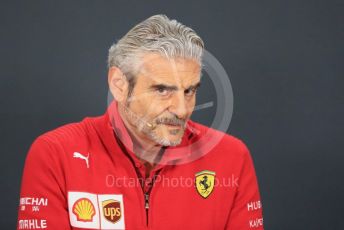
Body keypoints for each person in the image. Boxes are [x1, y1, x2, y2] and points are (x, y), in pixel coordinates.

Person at [17, 14, 264, 229]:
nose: (182, 109)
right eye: (163, 90)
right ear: (119, 85)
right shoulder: (55, 154)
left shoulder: (231, 157)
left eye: (189, 91)